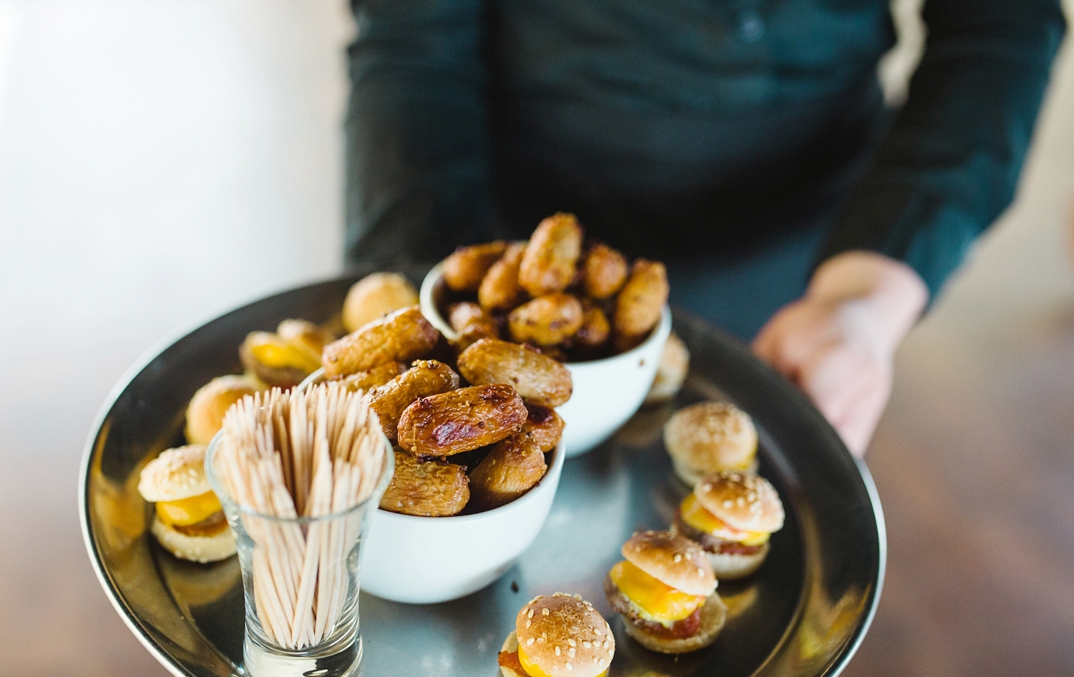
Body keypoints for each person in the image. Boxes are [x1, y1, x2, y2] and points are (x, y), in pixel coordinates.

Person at [343, 0, 1066, 455]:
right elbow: (412, 42)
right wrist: (416, 298)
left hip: (802, 269)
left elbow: (1002, 19)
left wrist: (866, 299)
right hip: (501, 231)